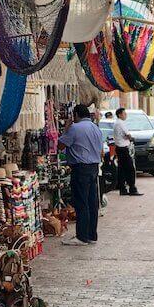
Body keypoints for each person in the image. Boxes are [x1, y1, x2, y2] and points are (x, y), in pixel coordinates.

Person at [58, 103, 104, 245]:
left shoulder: (75, 128)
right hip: (93, 167)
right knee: (92, 202)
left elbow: (60, 145)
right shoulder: (96, 128)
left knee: (81, 202)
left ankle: (82, 236)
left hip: (81, 168)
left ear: (76, 114)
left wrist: (66, 129)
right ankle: (91, 235)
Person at [112, 108, 142, 196]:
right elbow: (127, 135)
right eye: (124, 113)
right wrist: (132, 138)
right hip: (123, 148)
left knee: (122, 169)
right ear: (120, 115)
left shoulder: (117, 123)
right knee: (130, 169)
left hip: (119, 148)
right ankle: (132, 188)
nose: (126, 115)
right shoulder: (120, 123)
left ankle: (122, 189)